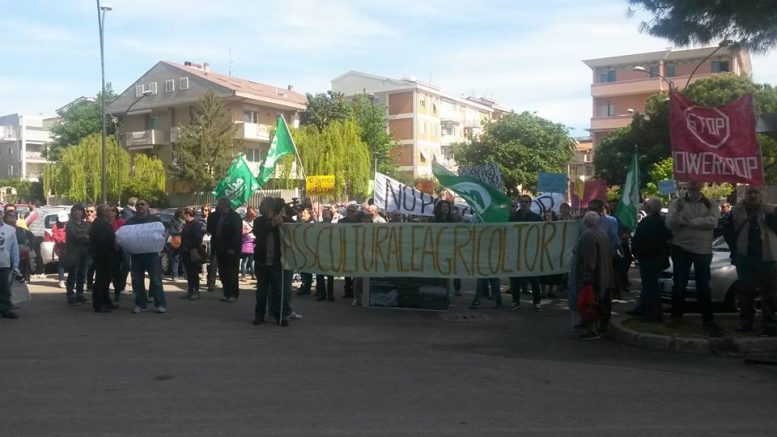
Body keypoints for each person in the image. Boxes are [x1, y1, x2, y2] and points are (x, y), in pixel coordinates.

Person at [665, 181, 720, 335]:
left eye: (697, 184)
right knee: (679, 284)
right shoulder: (677, 203)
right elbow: (670, 224)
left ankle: (707, 319)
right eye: (691, 184)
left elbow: (713, 222)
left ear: (701, 186)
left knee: (703, 285)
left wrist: (688, 223)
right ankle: (676, 318)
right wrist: (678, 212)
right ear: (687, 186)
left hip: (703, 249)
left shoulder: (711, 203)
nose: (694, 186)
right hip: (681, 247)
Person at [724, 186, 777, 337]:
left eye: (756, 192)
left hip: (767, 256)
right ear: (745, 195)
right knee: (745, 291)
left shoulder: (770, 210)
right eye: (749, 193)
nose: (753, 195)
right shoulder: (736, 211)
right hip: (745, 256)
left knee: (770, 293)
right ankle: (746, 322)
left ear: (760, 194)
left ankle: (770, 323)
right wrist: (735, 248)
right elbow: (727, 231)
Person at [629, 198, 671, 321]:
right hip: (653, 257)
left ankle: (654, 314)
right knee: (648, 284)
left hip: (649, 258)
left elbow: (642, 240)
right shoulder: (659, 220)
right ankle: (642, 308)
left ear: (650, 207)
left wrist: (637, 252)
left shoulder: (649, 222)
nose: (644, 205)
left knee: (651, 286)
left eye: (646, 204)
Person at [576, 211, 615, 339]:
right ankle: (600, 327)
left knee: (591, 303)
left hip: (595, 276)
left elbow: (589, 259)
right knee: (601, 303)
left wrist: (587, 277)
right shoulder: (602, 233)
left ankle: (593, 330)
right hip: (605, 273)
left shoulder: (588, 236)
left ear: (586, 222)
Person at [124, 199, 167, 314]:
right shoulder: (130, 222)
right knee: (138, 282)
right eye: (138, 205)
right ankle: (141, 304)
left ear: (148, 206)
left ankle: (160, 304)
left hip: (152, 255)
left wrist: (164, 237)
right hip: (136, 256)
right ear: (135, 207)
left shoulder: (156, 220)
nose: (140, 206)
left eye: (143, 204)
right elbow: (125, 236)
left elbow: (163, 235)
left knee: (156, 281)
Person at [253, 197, 288, 326]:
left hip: (276, 263)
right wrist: (271, 224)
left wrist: (282, 220)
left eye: (262, 205)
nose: (259, 207)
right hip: (262, 262)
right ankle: (259, 315)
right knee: (261, 292)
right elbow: (258, 232)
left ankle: (279, 315)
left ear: (269, 208)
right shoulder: (259, 221)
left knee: (278, 291)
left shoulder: (282, 220)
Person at [510, 194, 543, 311]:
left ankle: (537, 302)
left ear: (530, 204)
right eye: (522, 201)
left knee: (534, 279)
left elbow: (543, 233)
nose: (523, 204)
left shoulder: (537, 218)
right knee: (515, 278)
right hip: (516, 251)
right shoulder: (513, 217)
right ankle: (515, 301)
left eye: (526, 202)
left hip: (531, 252)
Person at [89, 204, 119, 313]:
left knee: (106, 280)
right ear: (104, 213)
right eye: (109, 210)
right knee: (101, 280)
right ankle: (98, 304)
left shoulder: (104, 223)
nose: (111, 212)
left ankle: (106, 301)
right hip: (102, 255)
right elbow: (102, 240)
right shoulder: (99, 224)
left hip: (107, 255)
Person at [212, 198, 242, 303]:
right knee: (223, 272)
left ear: (224, 205)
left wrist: (232, 247)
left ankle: (233, 294)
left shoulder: (235, 217)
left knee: (231, 272)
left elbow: (237, 234)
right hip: (220, 248)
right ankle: (226, 293)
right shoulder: (219, 216)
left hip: (231, 249)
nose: (218, 206)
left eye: (219, 204)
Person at [63, 204, 90, 305]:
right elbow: (74, 236)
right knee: (73, 273)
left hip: (84, 251)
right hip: (73, 252)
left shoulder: (86, 224)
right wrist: (85, 237)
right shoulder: (70, 224)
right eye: (75, 210)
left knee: (82, 274)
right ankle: (70, 295)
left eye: (79, 210)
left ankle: (80, 294)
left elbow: (90, 234)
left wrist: (86, 237)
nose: (77, 212)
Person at [180, 207, 205, 300]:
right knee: (189, 273)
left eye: (183, 214)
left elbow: (198, 239)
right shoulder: (187, 224)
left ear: (187, 214)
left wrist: (189, 246)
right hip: (185, 252)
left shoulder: (196, 224)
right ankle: (190, 291)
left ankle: (196, 291)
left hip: (192, 252)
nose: (182, 216)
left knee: (193, 272)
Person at [0, 208, 21, 319]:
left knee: (4, 287)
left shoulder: (10, 230)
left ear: (2, 215)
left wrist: (16, 262)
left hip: (4, 263)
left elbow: (14, 247)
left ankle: (5, 309)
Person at [338, 204, 360, 300]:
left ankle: (355, 290)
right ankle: (347, 290)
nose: (351, 213)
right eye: (350, 211)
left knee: (356, 272)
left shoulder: (360, 222)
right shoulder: (342, 222)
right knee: (347, 272)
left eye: (353, 211)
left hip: (357, 249)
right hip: (346, 248)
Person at [315, 209, 335, 302]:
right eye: (324, 213)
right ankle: (322, 294)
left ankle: (330, 294)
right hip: (321, 252)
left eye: (327, 213)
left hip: (331, 253)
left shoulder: (335, 227)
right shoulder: (318, 225)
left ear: (331, 216)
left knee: (330, 275)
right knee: (320, 275)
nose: (325, 215)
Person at [110, 206, 127, 302]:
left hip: (119, 250)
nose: (112, 212)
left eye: (113, 211)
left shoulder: (120, 221)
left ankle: (118, 292)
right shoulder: (106, 222)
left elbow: (125, 233)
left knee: (117, 272)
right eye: (110, 211)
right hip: (107, 250)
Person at [52, 211, 68, 288]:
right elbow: (55, 236)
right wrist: (62, 240)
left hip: (70, 247)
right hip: (60, 248)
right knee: (61, 264)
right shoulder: (55, 226)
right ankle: (61, 280)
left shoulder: (68, 225)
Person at [240, 207, 257, 281]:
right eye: (253, 216)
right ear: (249, 215)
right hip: (246, 242)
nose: (254, 218)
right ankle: (243, 275)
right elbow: (242, 232)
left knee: (252, 260)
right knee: (245, 260)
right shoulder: (243, 222)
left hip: (253, 242)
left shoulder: (254, 222)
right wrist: (250, 230)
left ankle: (253, 274)